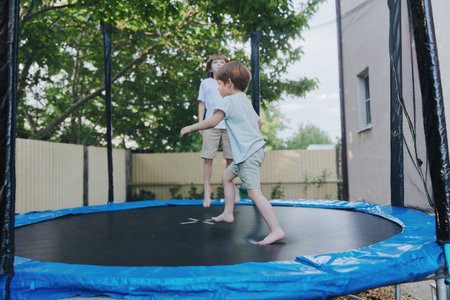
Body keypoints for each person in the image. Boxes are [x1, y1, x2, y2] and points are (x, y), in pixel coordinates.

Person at [181, 61, 285, 245]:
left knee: (254, 194)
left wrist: (190, 127)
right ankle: (228, 213)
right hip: (252, 151)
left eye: (219, 84)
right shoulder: (243, 99)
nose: (217, 87)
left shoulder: (228, 100)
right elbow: (258, 123)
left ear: (229, 83)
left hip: (248, 154)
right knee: (227, 176)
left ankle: (276, 230)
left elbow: (213, 121)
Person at [197, 54, 237, 207]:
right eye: (216, 62)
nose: (219, 64)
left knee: (230, 159)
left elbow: (235, 103)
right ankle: (207, 190)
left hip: (229, 125)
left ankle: (231, 188)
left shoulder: (229, 83)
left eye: (222, 62)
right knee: (208, 157)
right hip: (210, 125)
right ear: (210, 67)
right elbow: (202, 103)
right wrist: (201, 123)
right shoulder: (205, 83)